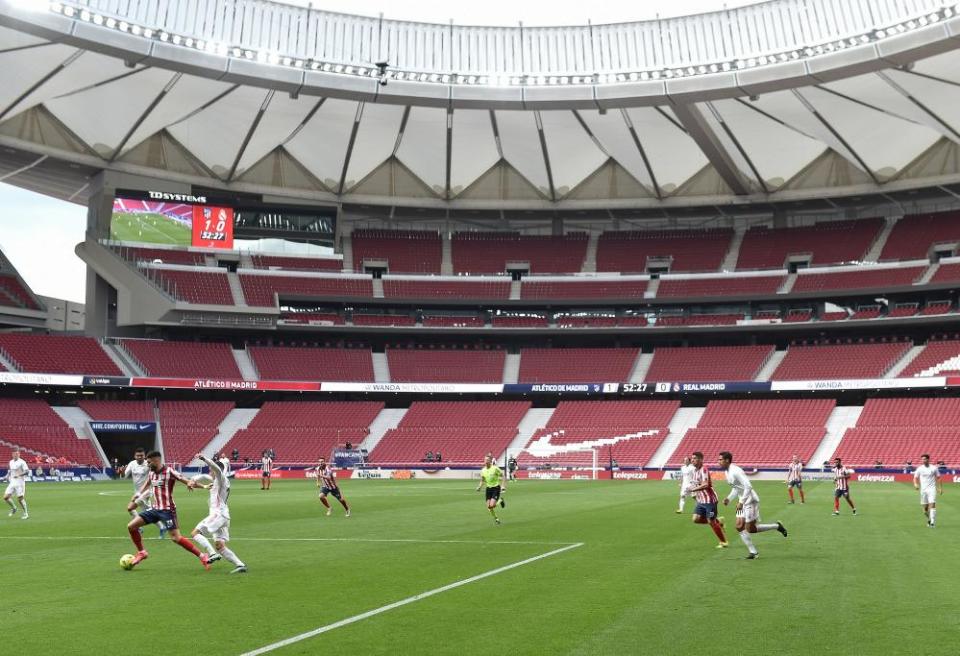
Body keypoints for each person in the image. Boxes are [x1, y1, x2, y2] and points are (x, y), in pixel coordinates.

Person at [124, 450, 210, 570]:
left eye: (149, 462)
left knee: (176, 538)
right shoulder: (151, 472)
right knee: (131, 526)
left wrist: (200, 485)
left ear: (156, 460)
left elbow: (186, 480)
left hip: (167, 510)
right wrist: (138, 494)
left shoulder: (169, 471)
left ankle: (202, 556)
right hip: (154, 509)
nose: (147, 465)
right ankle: (142, 552)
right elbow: (147, 484)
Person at [719, 451, 787, 559]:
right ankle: (753, 552)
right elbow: (737, 487)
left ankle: (777, 526)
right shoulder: (727, 472)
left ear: (727, 460)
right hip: (741, 501)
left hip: (750, 500)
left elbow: (748, 486)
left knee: (751, 529)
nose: (719, 462)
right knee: (739, 526)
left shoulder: (736, 471)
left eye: (720, 459)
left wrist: (741, 502)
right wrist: (729, 498)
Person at [191, 454, 247, 573]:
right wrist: (194, 482)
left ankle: (212, 554)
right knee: (220, 546)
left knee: (195, 533)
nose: (210, 471)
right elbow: (205, 481)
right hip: (223, 516)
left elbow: (215, 468)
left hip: (218, 515)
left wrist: (204, 459)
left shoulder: (221, 478)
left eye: (211, 469)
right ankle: (240, 565)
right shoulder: (217, 482)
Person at [684, 451, 727, 548]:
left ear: (700, 460)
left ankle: (724, 542)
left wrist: (693, 490)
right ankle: (719, 522)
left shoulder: (704, 469)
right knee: (696, 519)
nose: (692, 460)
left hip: (709, 501)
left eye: (694, 458)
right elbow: (695, 483)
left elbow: (706, 484)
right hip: (701, 501)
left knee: (711, 522)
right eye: (692, 458)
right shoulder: (695, 471)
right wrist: (691, 490)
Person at [123, 447, 164, 538]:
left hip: (147, 491)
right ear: (135, 456)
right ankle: (162, 527)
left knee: (130, 508)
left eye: (141, 455)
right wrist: (121, 472)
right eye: (138, 455)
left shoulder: (148, 464)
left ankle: (138, 526)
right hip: (137, 492)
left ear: (144, 456)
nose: (140, 457)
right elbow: (124, 475)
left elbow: (157, 471)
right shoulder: (132, 464)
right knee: (147, 512)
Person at [914, 453, 943, 528]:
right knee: (925, 510)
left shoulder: (934, 468)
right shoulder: (920, 468)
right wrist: (915, 484)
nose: (923, 460)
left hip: (932, 489)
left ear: (928, 459)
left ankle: (932, 523)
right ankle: (929, 519)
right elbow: (915, 478)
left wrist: (940, 488)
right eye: (922, 459)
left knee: (932, 504)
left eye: (924, 459)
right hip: (923, 490)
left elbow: (939, 477)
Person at [476, 453, 505, 525]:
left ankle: (500, 500)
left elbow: (503, 476)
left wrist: (503, 486)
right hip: (488, 489)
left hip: (496, 488)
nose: (485, 461)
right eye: (485, 460)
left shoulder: (495, 468)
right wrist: (479, 486)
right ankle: (496, 519)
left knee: (491, 505)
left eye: (487, 460)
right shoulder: (483, 470)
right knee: (489, 507)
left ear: (490, 461)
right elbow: (482, 480)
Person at [4, 448, 29, 519]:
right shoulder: (11, 462)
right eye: (15, 454)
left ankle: (26, 513)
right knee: (5, 497)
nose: (16, 455)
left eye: (17, 454)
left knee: (20, 499)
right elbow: (10, 470)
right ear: (12, 454)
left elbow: (27, 471)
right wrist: (7, 476)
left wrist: (19, 475)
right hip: (12, 482)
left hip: (20, 483)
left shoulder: (22, 462)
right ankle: (14, 508)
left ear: (19, 454)